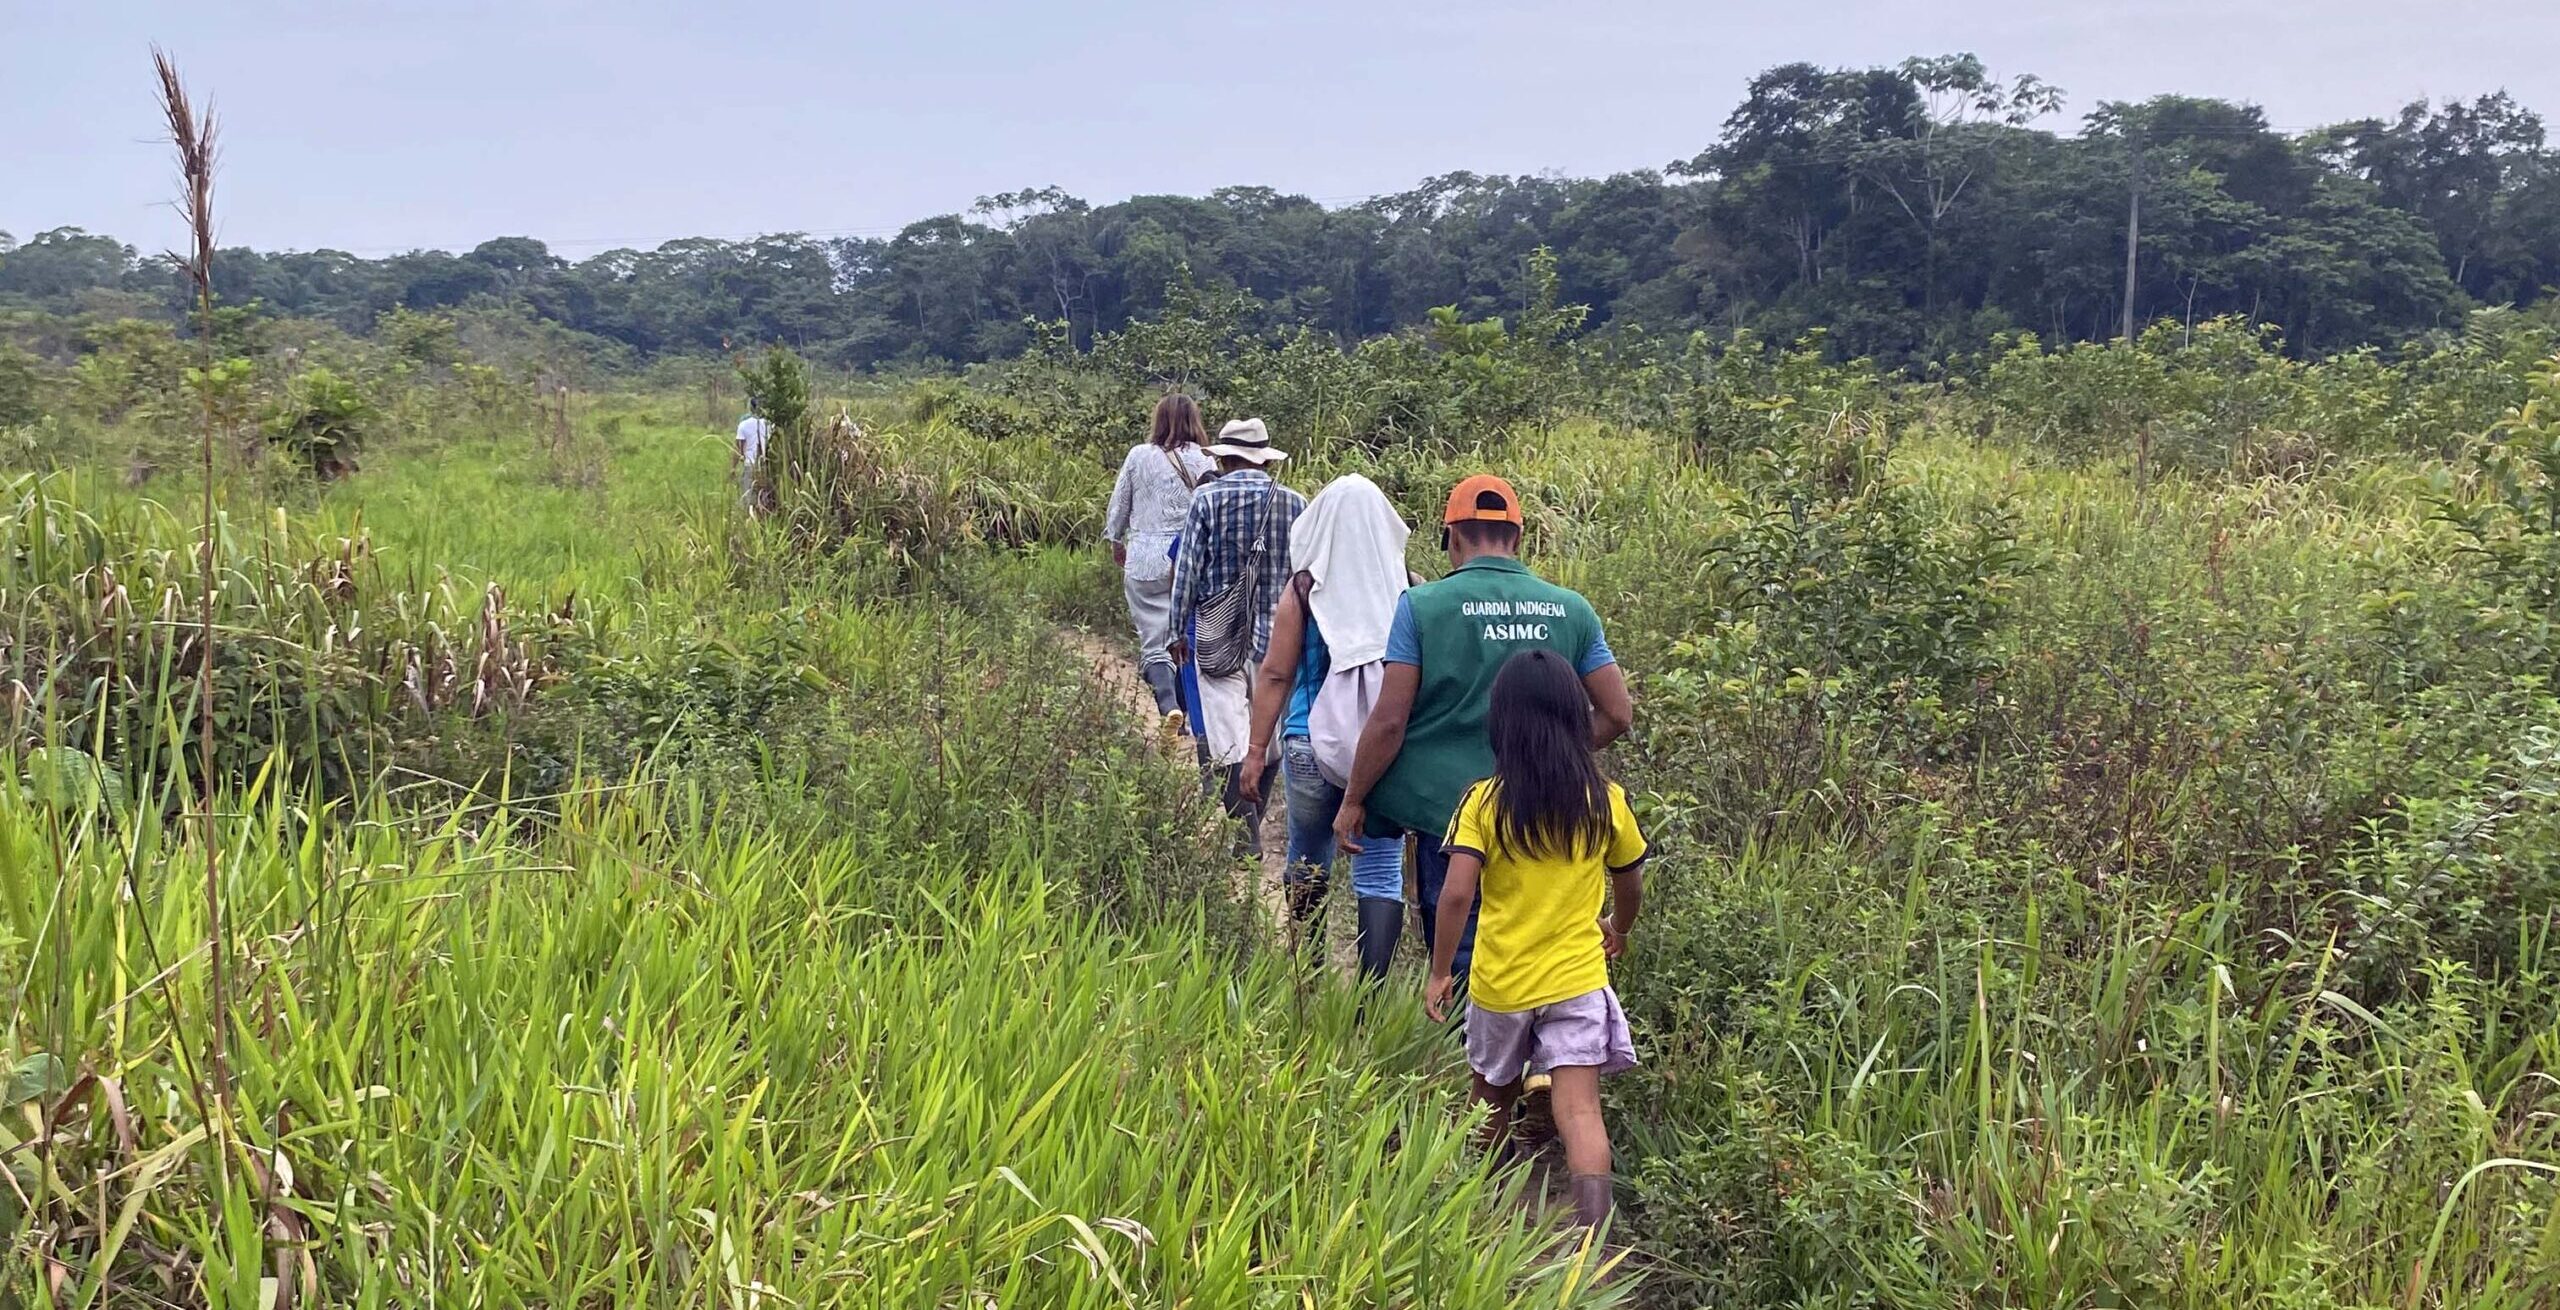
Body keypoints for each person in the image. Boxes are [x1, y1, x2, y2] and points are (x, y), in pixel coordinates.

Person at [1333, 474, 1633, 997]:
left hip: (1446, 814)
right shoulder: (1571, 608)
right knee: (1544, 937)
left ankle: (1474, 1062)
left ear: (1451, 536)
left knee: (1462, 949)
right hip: (1544, 810)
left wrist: (1355, 797)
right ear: (1518, 538)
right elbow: (1617, 712)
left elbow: (1388, 721)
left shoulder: (1422, 607)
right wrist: (1554, 759)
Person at [1423, 647, 1646, 1233]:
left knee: (1488, 1102)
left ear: (1502, 724)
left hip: (1501, 983)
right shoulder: (1606, 801)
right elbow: (1631, 878)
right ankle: (1592, 1252)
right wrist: (1618, 929)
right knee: (1581, 1113)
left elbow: (1455, 895)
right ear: (1578, 718)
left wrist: (1441, 969)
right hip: (1576, 978)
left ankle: (1482, 1220)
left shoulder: (1484, 803)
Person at [1238, 474, 1412, 975]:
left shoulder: (1304, 588)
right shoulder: (1408, 589)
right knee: (1380, 870)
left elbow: (1274, 672)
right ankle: (1371, 999)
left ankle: (1309, 971)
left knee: (1308, 853)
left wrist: (1255, 751)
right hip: (1383, 752)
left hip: (1309, 747)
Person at [1169, 418, 1304, 844]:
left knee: (1228, 741)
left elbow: (1187, 572)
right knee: (1269, 740)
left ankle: (1247, 835)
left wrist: (1177, 631)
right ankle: (1252, 827)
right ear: (1264, 458)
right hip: (1280, 640)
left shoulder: (1207, 499)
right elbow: (1305, 577)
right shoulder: (1296, 503)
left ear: (1224, 458)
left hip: (1216, 636)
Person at [1105, 394, 1219, 716]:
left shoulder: (1138, 455)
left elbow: (1119, 504)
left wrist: (1116, 540)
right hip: (1188, 560)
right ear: (1194, 421)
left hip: (1143, 559)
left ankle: (1169, 705)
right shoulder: (1205, 460)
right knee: (1186, 633)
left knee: (1154, 639)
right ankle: (1190, 709)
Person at [735, 404, 773, 509]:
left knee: (748, 497)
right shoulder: (770, 424)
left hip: (750, 465)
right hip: (765, 466)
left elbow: (738, 449)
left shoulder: (743, 425)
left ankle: (749, 518)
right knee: (764, 497)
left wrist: (733, 468)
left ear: (751, 408)